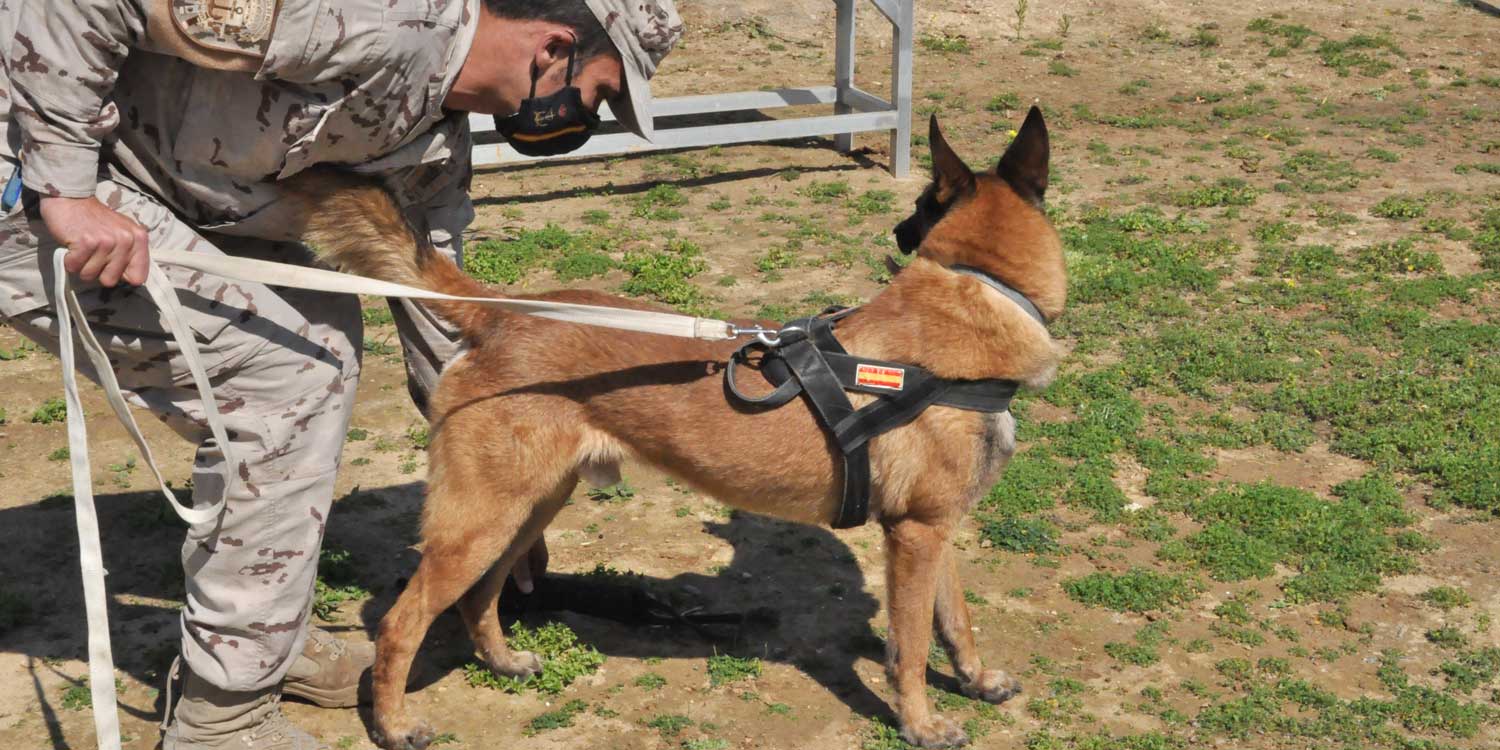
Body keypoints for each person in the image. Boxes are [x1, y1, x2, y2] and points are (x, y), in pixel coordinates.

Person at [0, 0, 683, 747]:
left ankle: (263, 638)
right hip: (34, 166)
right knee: (284, 375)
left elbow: (443, 312)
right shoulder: (373, 14)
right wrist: (62, 184)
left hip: (164, 189)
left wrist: (502, 481)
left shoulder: (432, 144)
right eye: (602, 93)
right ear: (555, 47)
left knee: (321, 339)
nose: (592, 117)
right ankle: (221, 721)